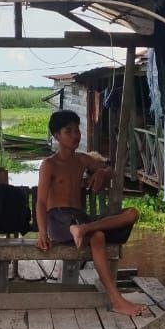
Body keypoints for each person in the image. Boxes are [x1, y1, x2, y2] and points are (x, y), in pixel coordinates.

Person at [36, 109, 143, 316]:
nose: (75, 135)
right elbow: (41, 202)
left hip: (80, 219)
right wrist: (42, 233)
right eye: (69, 131)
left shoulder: (82, 160)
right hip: (58, 220)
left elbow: (111, 170)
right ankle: (117, 300)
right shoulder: (49, 164)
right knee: (98, 236)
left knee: (132, 213)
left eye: (77, 131)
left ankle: (83, 229)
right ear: (57, 136)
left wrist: (102, 172)